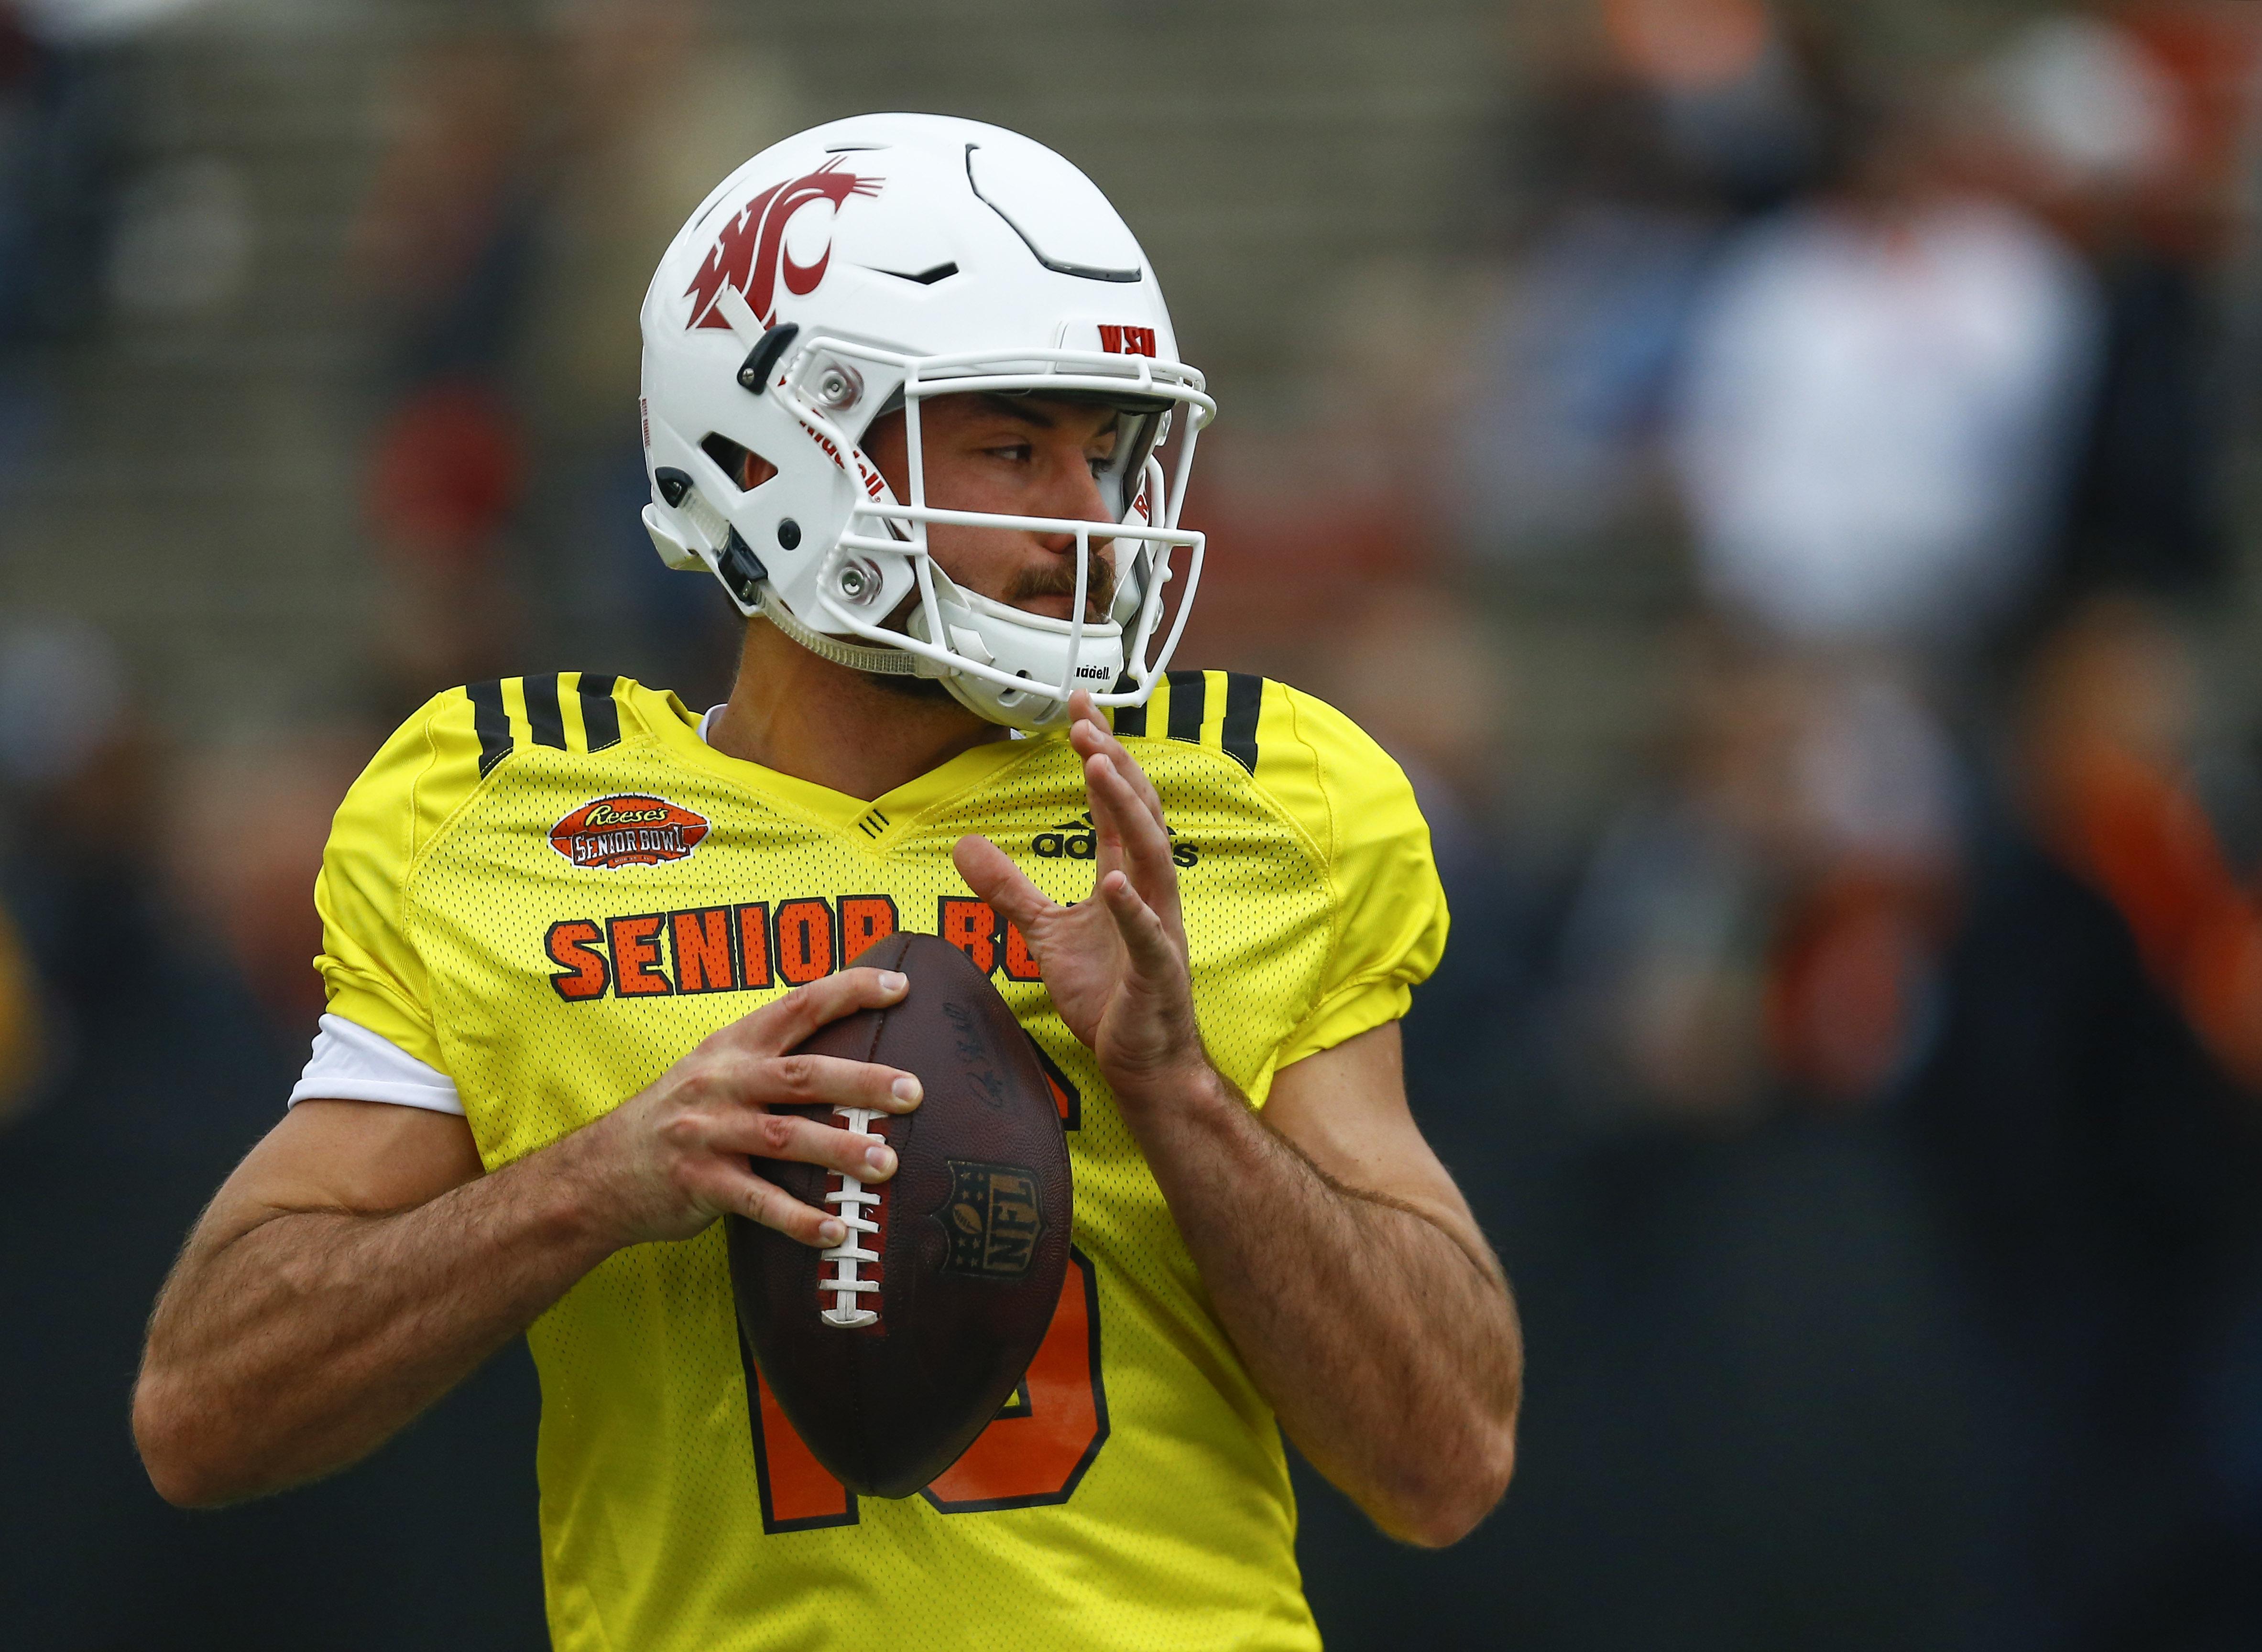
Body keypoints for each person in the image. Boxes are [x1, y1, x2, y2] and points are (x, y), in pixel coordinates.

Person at [130, 115, 1521, 1650]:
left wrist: (1183, 1096)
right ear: (776, 446)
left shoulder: (1249, 800)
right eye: (1013, 446)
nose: (1091, 522)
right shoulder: (501, 815)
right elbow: (203, 1413)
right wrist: (591, 1184)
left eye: (1106, 452)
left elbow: (1443, 1459)